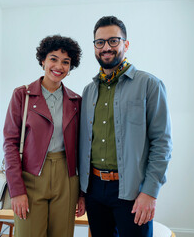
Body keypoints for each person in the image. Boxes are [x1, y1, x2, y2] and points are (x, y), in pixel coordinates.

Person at [78, 16, 173, 237]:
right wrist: (82, 191)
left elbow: (162, 143)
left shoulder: (150, 84)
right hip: (94, 190)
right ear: (94, 47)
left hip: (132, 190)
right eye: (99, 42)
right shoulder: (88, 91)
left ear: (125, 44)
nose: (106, 47)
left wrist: (150, 192)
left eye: (113, 40)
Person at [3, 35, 84, 237]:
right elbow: (10, 144)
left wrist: (82, 193)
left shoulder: (77, 101)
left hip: (67, 180)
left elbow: (83, 149)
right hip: (30, 178)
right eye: (53, 59)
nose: (59, 66)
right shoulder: (22, 95)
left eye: (66, 62)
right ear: (43, 61)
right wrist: (17, 190)